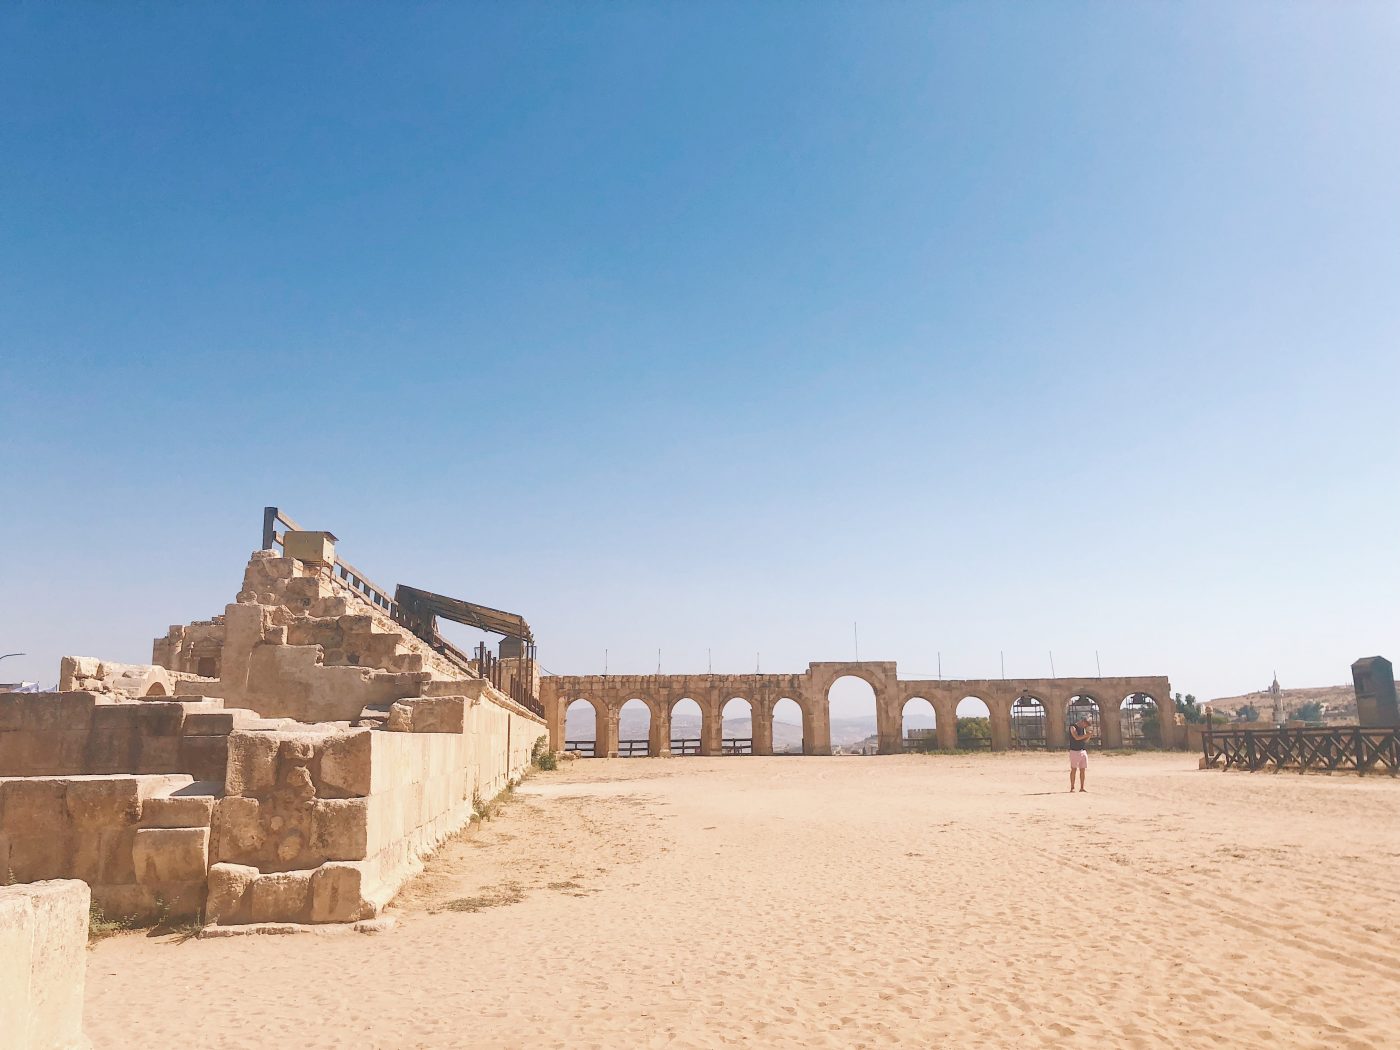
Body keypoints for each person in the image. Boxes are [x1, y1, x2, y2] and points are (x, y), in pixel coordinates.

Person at [1068, 718, 1091, 792]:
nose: (1085, 726)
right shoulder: (1073, 727)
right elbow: (1076, 737)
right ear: (1082, 721)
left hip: (1082, 750)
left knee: (1083, 770)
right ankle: (1072, 787)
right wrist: (1086, 735)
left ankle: (1082, 787)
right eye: (1086, 724)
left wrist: (1089, 736)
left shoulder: (1083, 729)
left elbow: (1085, 741)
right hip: (1074, 751)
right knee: (1074, 769)